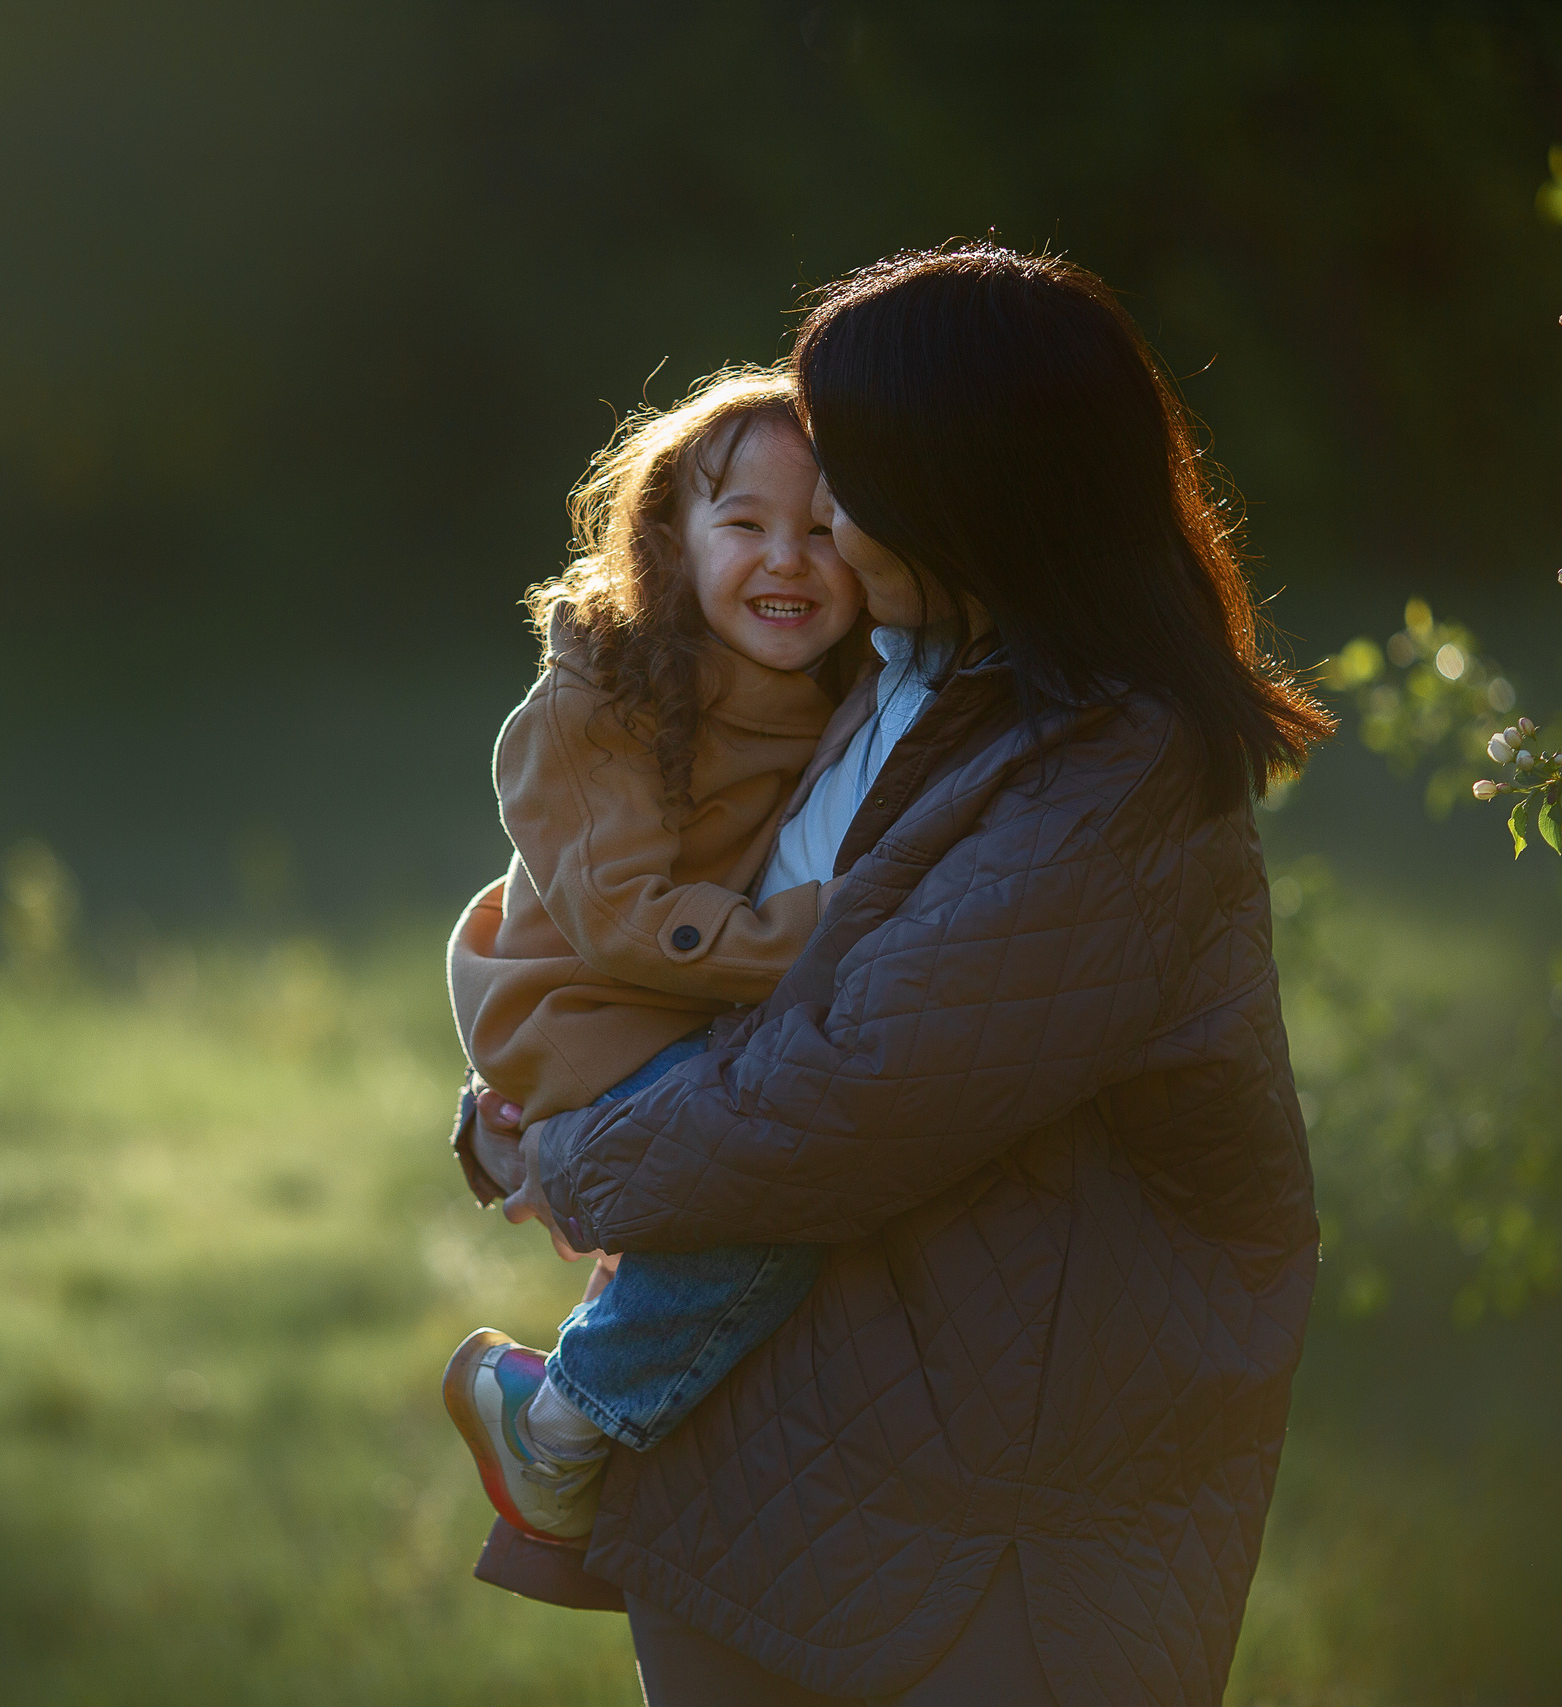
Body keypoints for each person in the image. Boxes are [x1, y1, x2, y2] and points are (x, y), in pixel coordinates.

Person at [469, 243, 1335, 1704]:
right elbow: (688, 902)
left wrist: (574, 1146)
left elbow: (844, 1094)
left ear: (962, 496)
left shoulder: (1110, 771)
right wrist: (526, 1075)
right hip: (769, 1476)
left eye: (847, 491)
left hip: (976, 1531)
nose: (818, 534)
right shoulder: (889, 669)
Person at [441, 366, 869, 1545]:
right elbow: (629, 918)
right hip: (578, 1011)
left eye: (824, 531)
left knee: (733, 1196)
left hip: (669, 1011)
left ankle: (613, 1360)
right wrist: (835, 928)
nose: (788, 559)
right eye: (745, 526)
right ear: (670, 542)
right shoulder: (611, 688)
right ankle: (557, 1417)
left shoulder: (845, 686)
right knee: (762, 1187)